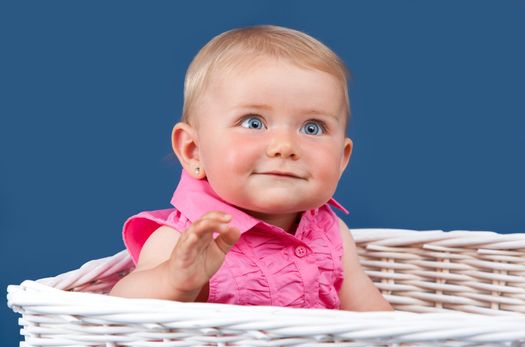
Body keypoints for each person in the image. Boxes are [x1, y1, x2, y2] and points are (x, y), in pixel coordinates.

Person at [110, 25, 392, 311]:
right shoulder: (187, 237)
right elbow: (119, 307)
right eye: (253, 123)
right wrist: (173, 279)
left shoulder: (331, 232)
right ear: (193, 150)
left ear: (341, 159)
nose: (284, 145)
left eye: (312, 127)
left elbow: (379, 321)